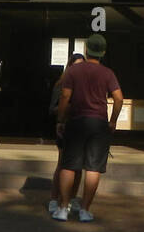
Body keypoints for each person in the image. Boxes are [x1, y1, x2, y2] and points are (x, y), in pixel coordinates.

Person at [53, 34, 123, 222]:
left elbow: (65, 97)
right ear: (103, 52)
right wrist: (113, 120)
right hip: (99, 122)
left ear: (86, 50)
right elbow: (118, 98)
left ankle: (63, 208)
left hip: (76, 120)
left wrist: (61, 120)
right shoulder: (108, 73)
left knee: (69, 165)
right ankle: (84, 210)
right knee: (93, 167)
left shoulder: (73, 72)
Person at [47, 53, 85, 216]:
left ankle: (73, 198)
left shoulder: (86, 85)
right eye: (75, 66)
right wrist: (67, 107)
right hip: (65, 126)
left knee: (79, 166)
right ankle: (55, 199)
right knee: (62, 163)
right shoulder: (61, 84)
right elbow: (53, 108)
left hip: (82, 126)